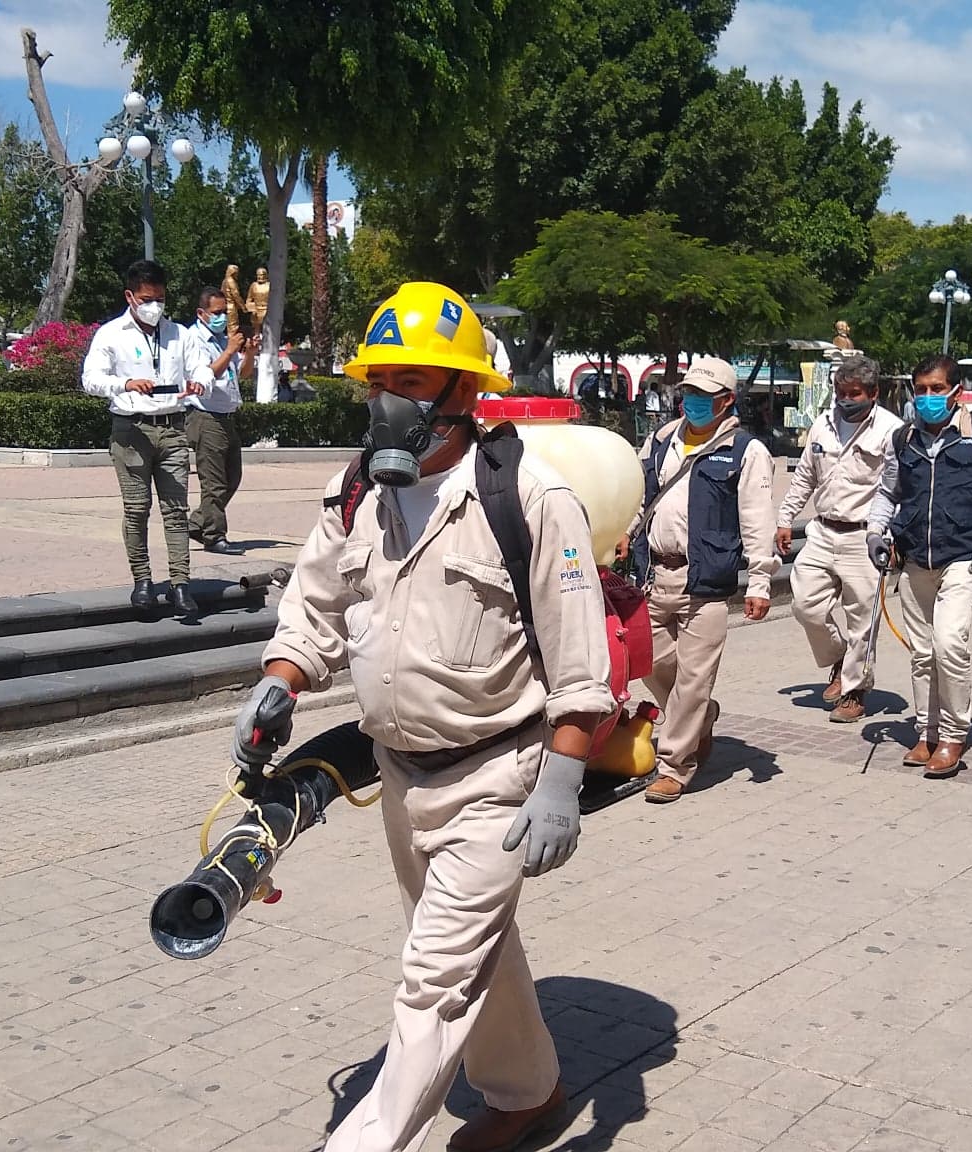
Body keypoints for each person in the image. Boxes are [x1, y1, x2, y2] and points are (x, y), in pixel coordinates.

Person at [233, 283, 611, 1152]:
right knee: (475, 950)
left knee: (434, 979)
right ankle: (527, 1092)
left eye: (418, 383)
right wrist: (283, 682)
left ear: (467, 394)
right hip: (401, 777)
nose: (393, 403)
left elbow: (584, 664)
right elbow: (317, 604)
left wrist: (562, 782)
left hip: (498, 780)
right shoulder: (357, 488)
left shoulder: (530, 498)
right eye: (382, 382)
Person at [865, 355, 972, 777]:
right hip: (916, 558)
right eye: (920, 390)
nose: (928, 398)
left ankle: (955, 734)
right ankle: (927, 731)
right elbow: (888, 493)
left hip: (964, 556)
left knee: (950, 644)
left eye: (937, 389)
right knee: (921, 653)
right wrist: (875, 532)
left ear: (956, 392)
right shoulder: (904, 440)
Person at [627, 357, 778, 803]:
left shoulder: (745, 450)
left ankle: (675, 765)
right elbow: (642, 496)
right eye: (687, 394)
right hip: (654, 573)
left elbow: (756, 519)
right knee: (647, 661)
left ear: (726, 401)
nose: (691, 402)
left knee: (694, 677)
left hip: (706, 579)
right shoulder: (658, 441)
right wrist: (624, 530)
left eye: (702, 397)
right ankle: (700, 716)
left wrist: (761, 581)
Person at [775, 353, 903, 723]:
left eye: (855, 392)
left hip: (866, 537)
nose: (846, 399)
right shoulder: (823, 425)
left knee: (863, 619)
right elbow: (804, 477)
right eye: (840, 391)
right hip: (822, 531)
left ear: (873, 392)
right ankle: (839, 658)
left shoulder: (892, 432)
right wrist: (785, 518)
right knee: (805, 606)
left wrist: (892, 538)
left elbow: (899, 489)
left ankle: (854, 691)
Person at [81, 259, 202, 613]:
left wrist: (199, 383)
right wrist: (126, 383)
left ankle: (180, 583)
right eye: (148, 299)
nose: (155, 306)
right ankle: (143, 581)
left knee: (176, 510)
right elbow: (90, 379)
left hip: (172, 427)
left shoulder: (180, 333)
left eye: (161, 299)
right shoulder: (110, 334)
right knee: (136, 509)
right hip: (131, 429)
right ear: (130, 297)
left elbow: (200, 371)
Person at [185, 287, 252, 555]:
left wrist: (248, 353)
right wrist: (230, 350)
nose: (221, 317)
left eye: (224, 312)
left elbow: (243, 374)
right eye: (216, 313)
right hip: (205, 415)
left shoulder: (221, 339)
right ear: (201, 313)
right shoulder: (194, 339)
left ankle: (197, 523)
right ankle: (214, 536)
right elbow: (206, 374)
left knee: (232, 476)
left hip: (226, 416)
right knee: (214, 482)